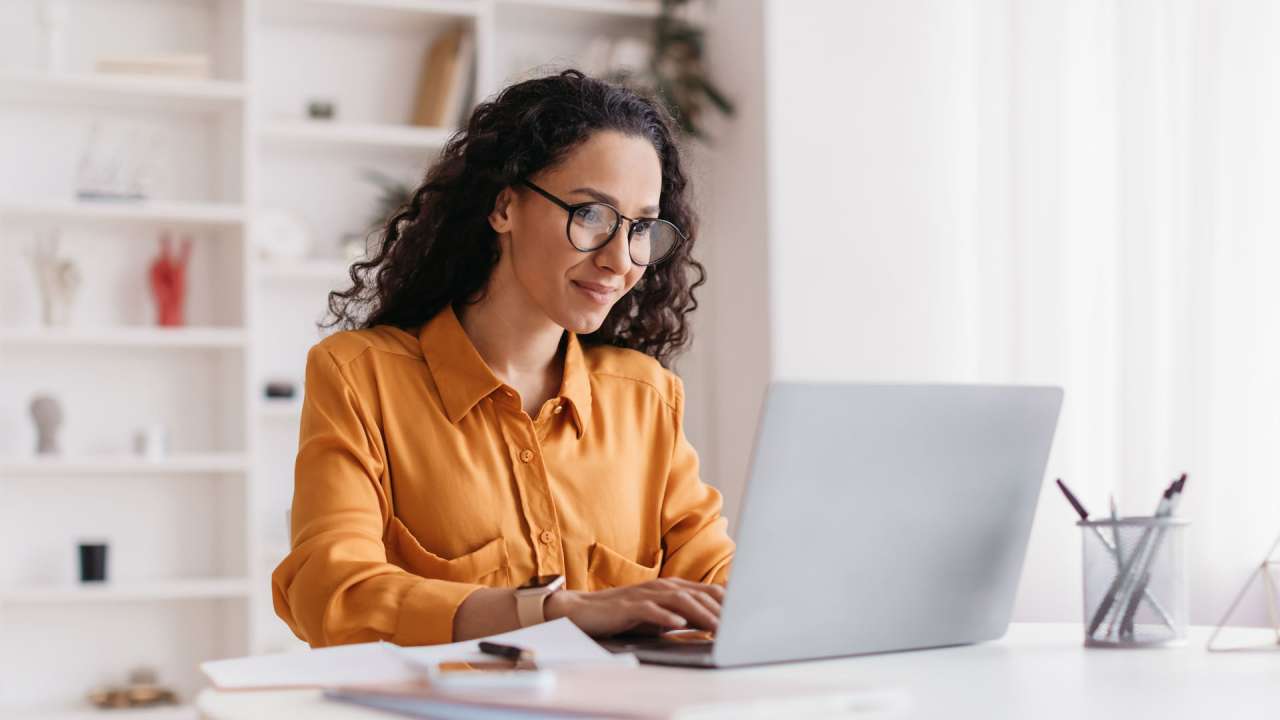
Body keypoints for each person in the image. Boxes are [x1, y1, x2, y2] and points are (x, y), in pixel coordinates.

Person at [271, 70, 734, 648]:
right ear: (504, 207)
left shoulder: (645, 396)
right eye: (591, 213)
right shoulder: (360, 376)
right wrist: (553, 612)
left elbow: (718, 585)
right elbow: (331, 593)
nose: (622, 259)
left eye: (641, 226)